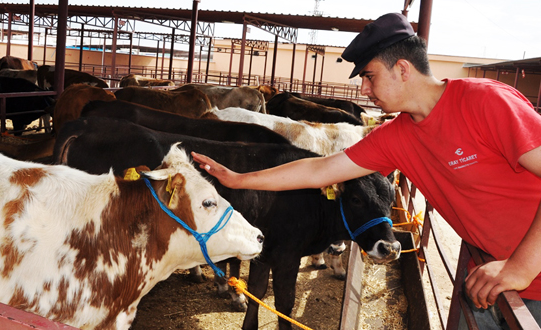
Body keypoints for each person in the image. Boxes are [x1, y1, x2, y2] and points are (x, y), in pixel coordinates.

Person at [191, 12, 541, 329]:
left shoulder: (485, 102)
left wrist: (520, 267)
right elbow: (321, 170)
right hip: (486, 275)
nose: (363, 90)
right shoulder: (398, 135)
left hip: (530, 282)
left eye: (370, 77)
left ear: (403, 69)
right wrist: (237, 179)